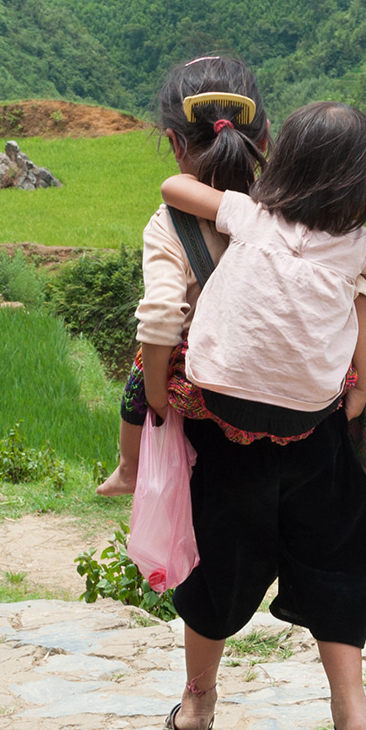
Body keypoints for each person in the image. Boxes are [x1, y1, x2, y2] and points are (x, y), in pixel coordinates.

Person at [158, 99, 366, 730]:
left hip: (222, 413)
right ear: (363, 188)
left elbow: (171, 187)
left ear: (284, 162)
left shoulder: (250, 214)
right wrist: (355, 290)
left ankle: (195, 707)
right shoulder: (353, 241)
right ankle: (353, 713)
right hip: (311, 423)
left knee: (217, 561)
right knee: (345, 551)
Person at [96, 53, 270, 497]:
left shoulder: (171, 224)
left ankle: (127, 468)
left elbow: (159, 319)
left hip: (206, 402)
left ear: (174, 143)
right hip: (294, 398)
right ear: (264, 139)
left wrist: (158, 401)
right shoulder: (290, 210)